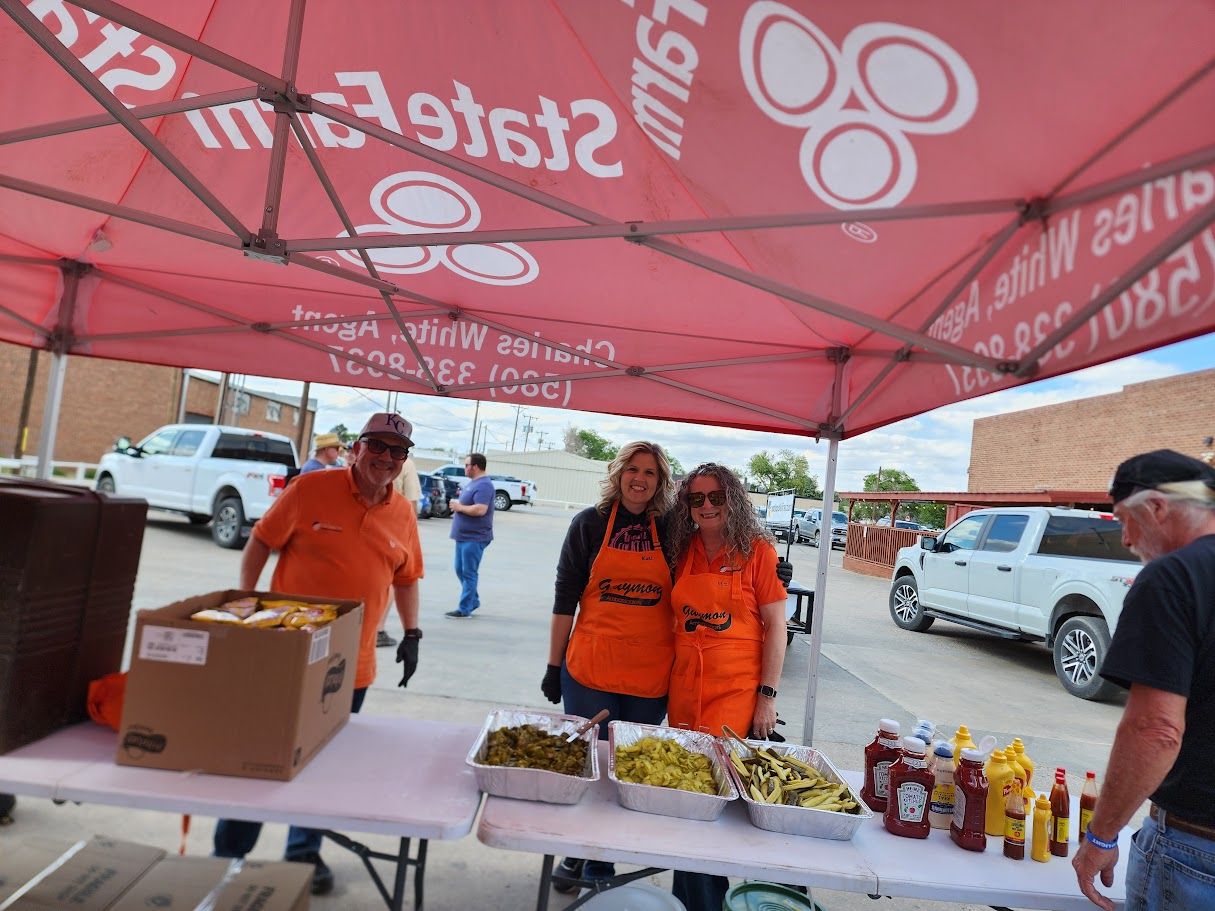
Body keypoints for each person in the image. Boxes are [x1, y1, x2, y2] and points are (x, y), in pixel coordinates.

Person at [211, 412, 425, 895]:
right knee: (258, 754)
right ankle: (230, 855)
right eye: (378, 446)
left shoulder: (403, 512)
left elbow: (407, 578)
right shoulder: (311, 489)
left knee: (323, 763)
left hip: (353, 664)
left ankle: (303, 849)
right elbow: (261, 541)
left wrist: (412, 634)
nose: (386, 459)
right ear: (356, 447)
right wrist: (245, 600)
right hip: (286, 655)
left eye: (398, 451)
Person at [1073, 449, 1215, 911]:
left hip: (1196, 850)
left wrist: (1102, 834)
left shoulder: (1174, 577)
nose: (1127, 539)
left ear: (1156, 508)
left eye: (1122, 521)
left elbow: (1155, 730)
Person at [542, 441, 677, 889]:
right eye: (632, 469)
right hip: (590, 668)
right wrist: (552, 664)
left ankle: (605, 856)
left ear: (660, 482)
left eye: (651, 472)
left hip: (649, 674)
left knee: (628, 770)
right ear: (618, 473)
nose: (640, 479)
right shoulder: (590, 524)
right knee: (587, 766)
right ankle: (579, 852)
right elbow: (564, 599)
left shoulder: (673, 530)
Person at [665, 463, 790, 911]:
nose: (706, 506)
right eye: (696, 499)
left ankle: (705, 904)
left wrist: (767, 698)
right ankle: (687, 900)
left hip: (734, 698)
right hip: (684, 693)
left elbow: (777, 628)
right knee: (685, 798)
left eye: (715, 496)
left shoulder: (758, 552)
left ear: (732, 499)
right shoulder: (682, 550)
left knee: (715, 810)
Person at [378, 453, 423, 647]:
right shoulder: (407, 464)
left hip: (368, 526)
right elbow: (411, 502)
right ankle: (377, 629)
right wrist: (410, 536)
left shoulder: (368, 460)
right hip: (392, 532)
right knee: (389, 583)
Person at [446, 452, 494, 618]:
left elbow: (481, 509)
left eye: (467, 465)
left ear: (476, 466)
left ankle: (464, 609)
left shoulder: (484, 485)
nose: (465, 468)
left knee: (469, 573)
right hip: (463, 536)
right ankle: (473, 600)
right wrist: (458, 504)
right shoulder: (473, 483)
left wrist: (460, 508)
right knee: (460, 570)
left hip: (475, 537)